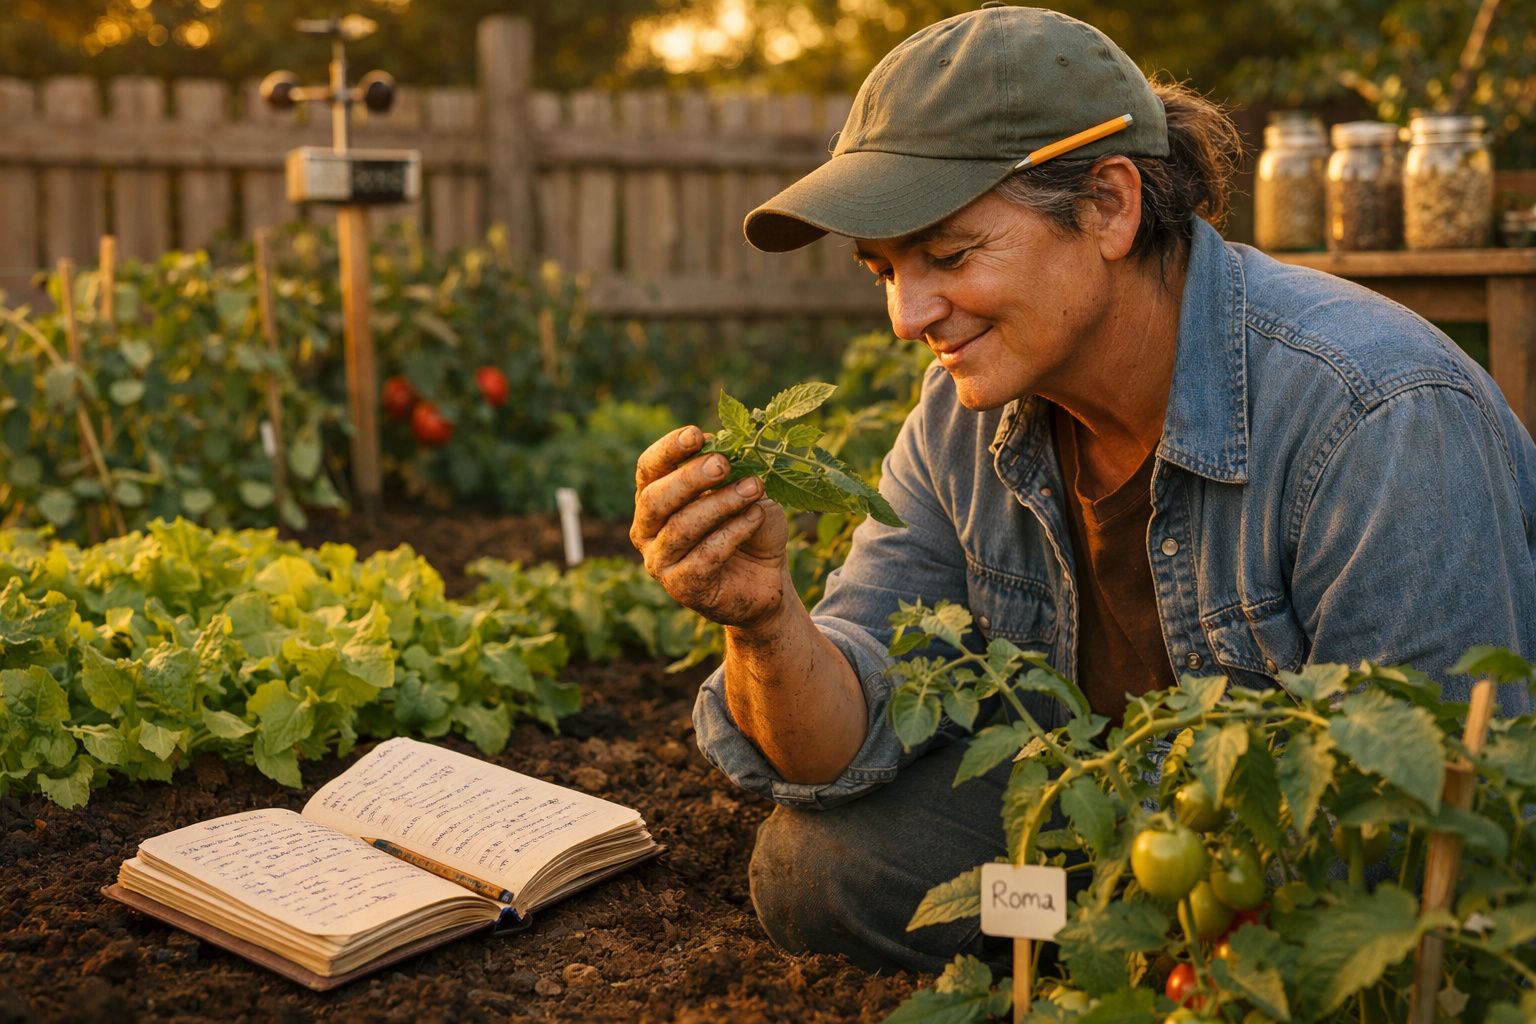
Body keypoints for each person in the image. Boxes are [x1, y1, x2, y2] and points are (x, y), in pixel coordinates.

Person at [629, 4, 1536, 974]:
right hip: (1132, 838)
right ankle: (1114, 960)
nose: (906, 314)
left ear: (1108, 205)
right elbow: (839, 742)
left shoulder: (1376, 413)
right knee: (825, 868)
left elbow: (1422, 831)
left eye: (948, 254)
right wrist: (765, 620)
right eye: (883, 268)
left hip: (1319, 877)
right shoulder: (958, 419)